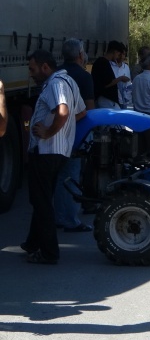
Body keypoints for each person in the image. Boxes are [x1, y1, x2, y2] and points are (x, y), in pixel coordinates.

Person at [22, 50, 85, 264]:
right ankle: (32, 243)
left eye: (32, 69)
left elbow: (64, 111)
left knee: (41, 202)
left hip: (47, 150)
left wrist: (49, 132)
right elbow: (81, 112)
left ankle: (49, 252)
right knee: (41, 198)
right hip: (59, 150)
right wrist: (64, 129)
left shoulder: (56, 83)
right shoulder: (69, 81)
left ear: (45, 67)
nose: (31, 74)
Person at [52, 38, 95, 232]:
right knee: (72, 174)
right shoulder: (84, 76)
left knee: (60, 176)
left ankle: (59, 215)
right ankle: (70, 219)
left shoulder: (56, 74)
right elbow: (89, 108)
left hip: (55, 132)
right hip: (77, 133)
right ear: (80, 55)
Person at [92, 40, 127, 109]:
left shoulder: (100, 62)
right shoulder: (103, 63)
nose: (117, 57)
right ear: (115, 52)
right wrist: (120, 78)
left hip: (103, 98)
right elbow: (106, 83)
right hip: (106, 99)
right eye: (118, 54)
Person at [111, 42, 132, 109]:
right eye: (120, 54)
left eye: (124, 54)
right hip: (113, 100)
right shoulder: (110, 66)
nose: (122, 57)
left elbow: (128, 84)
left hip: (124, 100)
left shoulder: (126, 67)